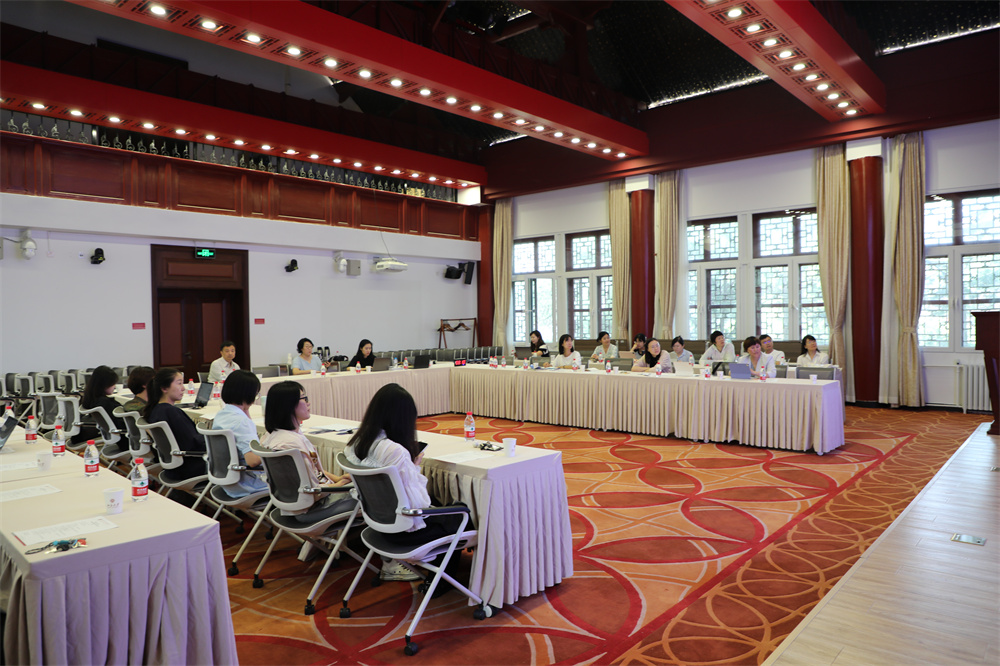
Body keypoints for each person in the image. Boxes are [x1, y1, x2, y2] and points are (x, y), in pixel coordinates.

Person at [345, 383, 465, 589]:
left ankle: (436, 576)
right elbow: (419, 503)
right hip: (403, 532)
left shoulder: (356, 442)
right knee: (462, 514)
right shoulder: (396, 451)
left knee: (439, 504)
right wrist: (414, 467)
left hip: (376, 524)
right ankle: (439, 583)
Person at [260, 381, 350, 519]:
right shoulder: (291, 445)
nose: (308, 403)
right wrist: (341, 484)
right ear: (289, 405)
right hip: (313, 507)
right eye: (304, 398)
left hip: (293, 505)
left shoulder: (273, 436)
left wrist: (338, 478)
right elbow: (314, 491)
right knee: (367, 495)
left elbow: (311, 472)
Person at [211, 370, 268, 498]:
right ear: (249, 395)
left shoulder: (222, 415)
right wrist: (270, 448)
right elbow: (253, 461)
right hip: (247, 484)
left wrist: (246, 409)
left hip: (227, 481)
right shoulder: (241, 422)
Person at [143, 368, 207, 480]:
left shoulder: (156, 410)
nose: (183, 388)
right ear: (164, 388)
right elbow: (194, 443)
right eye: (179, 383)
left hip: (174, 469)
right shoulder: (171, 412)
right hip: (191, 468)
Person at [75, 365, 127, 447]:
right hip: (125, 440)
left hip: (115, 437)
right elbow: (121, 425)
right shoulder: (104, 403)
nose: (114, 387)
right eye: (113, 384)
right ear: (105, 384)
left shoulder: (91, 399)